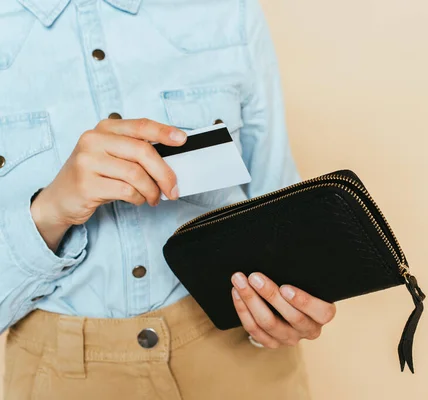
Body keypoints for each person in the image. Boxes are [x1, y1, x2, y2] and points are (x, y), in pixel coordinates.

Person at [0, 0, 336, 398]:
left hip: (239, 357)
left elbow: (280, 212)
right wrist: (50, 211)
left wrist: (284, 309)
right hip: (62, 377)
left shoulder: (228, 11)